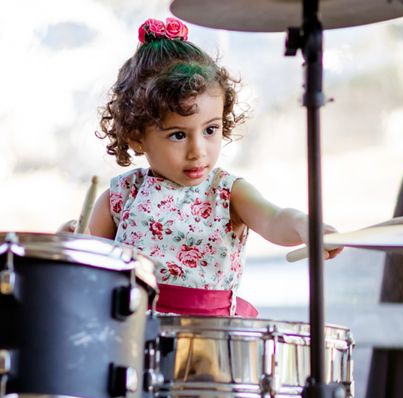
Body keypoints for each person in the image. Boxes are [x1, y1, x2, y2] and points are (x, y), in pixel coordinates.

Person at [63, 17, 341, 317]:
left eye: (210, 130)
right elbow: (87, 263)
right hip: (133, 334)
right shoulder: (122, 195)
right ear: (137, 136)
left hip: (211, 340)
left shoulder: (226, 191)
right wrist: (67, 244)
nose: (198, 151)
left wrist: (302, 225)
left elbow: (273, 220)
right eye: (178, 135)